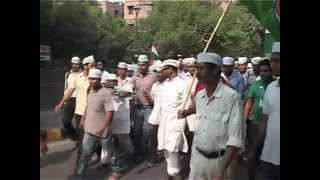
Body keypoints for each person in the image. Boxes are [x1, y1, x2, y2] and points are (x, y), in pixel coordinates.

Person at [179, 52, 244, 180]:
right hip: (198, 160)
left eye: (202, 68)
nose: (197, 72)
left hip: (220, 164)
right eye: (197, 68)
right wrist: (186, 112)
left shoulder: (232, 97)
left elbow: (235, 139)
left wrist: (222, 171)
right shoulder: (200, 96)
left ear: (215, 70)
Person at [55, 55, 97, 166]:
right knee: (82, 138)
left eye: (94, 65)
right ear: (86, 66)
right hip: (80, 112)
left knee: (91, 136)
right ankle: (81, 166)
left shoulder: (96, 78)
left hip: (92, 112)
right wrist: (61, 103)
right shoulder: (77, 78)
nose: (94, 67)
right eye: (91, 65)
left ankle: (92, 156)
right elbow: (69, 90)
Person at [74, 69, 116, 180]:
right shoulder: (90, 90)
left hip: (103, 132)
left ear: (99, 80)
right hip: (90, 130)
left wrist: (105, 127)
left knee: (110, 154)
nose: (92, 81)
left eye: (95, 79)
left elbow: (110, 112)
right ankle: (79, 176)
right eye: (91, 79)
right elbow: (88, 106)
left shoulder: (105, 93)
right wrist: (83, 118)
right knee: (85, 154)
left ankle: (116, 171)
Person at [157, 59, 189, 180]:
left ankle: (176, 173)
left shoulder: (182, 84)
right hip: (164, 121)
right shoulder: (165, 84)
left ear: (171, 69)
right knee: (165, 147)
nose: (162, 71)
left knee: (173, 147)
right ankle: (171, 172)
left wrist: (182, 120)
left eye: (164, 69)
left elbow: (186, 104)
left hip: (176, 121)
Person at [244, 59, 276, 180]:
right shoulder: (255, 85)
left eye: (266, 70)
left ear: (271, 70)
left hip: (271, 128)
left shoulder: (276, 85)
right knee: (253, 154)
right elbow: (248, 103)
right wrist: (244, 121)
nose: (263, 73)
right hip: (255, 126)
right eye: (261, 71)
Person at [252, 42, 280, 180]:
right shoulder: (271, 88)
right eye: (272, 61)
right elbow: (264, 121)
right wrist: (255, 148)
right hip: (267, 158)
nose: (272, 65)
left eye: (276, 61)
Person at [131, 54, 157, 164]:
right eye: (139, 65)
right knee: (137, 133)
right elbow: (131, 89)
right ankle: (138, 153)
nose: (141, 67)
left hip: (149, 107)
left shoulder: (153, 76)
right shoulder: (134, 76)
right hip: (137, 108)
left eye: (143, 65)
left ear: (148, 64)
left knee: (147, 132)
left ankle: (148, 154)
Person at [147, 61, 166, 166]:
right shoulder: (155, 86)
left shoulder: (169, 85)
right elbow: (152, 102)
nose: (158, 74)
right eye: (157, 72)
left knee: (165, 138)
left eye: (160, 72)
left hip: (166, 116)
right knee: (153, 138)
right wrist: (147, 97)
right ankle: (153, 158)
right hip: (155, 115)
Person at [61, 56, 82, 141]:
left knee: (79, 123)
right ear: (71, 64)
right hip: (69, 99)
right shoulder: (68, 74)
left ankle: (80, 143)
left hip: (80, 99)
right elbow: (66, 87)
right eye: (74, 64)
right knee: (65, 121)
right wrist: (64, 99)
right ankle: (75, 136)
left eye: (78, 64)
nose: (76, 66)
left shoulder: (83, 73)